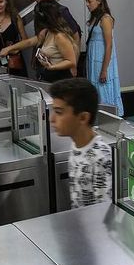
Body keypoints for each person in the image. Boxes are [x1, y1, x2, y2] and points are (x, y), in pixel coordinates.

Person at [49, 77, 111, 208]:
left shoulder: (101, 157)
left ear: (83, 117)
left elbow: (104, 210)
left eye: (59, 112)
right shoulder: (77, 145)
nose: (52, 119)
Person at [0, 0, 78, 83]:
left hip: (60, 79)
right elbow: (29, 42)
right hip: (49, 77)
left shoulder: (60, 36)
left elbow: (71, 62)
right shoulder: (47, 32)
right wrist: (8, 49)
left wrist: (51, 67)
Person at [84, 0, 124, 114]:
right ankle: (98, 115)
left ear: (99, 1)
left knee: (103, 89)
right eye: (86, 1)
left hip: (102, 61)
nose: (87, 4)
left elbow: (109, 45)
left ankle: (108, 115)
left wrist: (104, 70)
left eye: (89, 1)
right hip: (93, 60)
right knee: (96, 89)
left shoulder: (105, 19)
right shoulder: (95, 18)